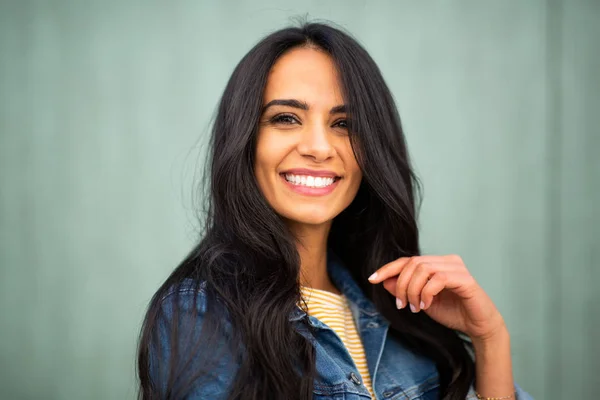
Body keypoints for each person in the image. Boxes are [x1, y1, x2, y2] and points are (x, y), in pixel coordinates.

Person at [137, 21, 534, 400]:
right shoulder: (201, 313)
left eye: (344, 123)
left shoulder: (400, 310)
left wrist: (490, 339)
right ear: (244, 140)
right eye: (286, 118)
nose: (320, 147)